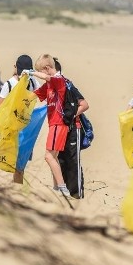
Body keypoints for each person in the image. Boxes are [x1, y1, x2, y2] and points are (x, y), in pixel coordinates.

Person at [28, 54, 87, 197]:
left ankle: (62, 187)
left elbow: (49, 78)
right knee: (53, 156)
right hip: (53, 124)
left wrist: (32, 72)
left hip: (59, 124)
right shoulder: (49, 85)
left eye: (41, 71)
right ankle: (57, 186)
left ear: (47, 68)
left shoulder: (59, 80)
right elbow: (33, 96)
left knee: (48, 156)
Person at [0, 54, 46, 184]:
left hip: (23, 127)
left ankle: (16, 188)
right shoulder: (21, 82)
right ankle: (16, 188)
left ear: (15, 67)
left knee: (19, 165)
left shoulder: (11, 84)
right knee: (18, 164)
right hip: (19, 128)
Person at [53, 57, 90, 199]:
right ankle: (66, 192)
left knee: (73, 160)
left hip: (75, 127)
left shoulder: (67, 85)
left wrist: (69, 117)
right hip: (62, 128)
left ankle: (77, 195)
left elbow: (85, 105)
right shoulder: (56, 87)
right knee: (61, 158)